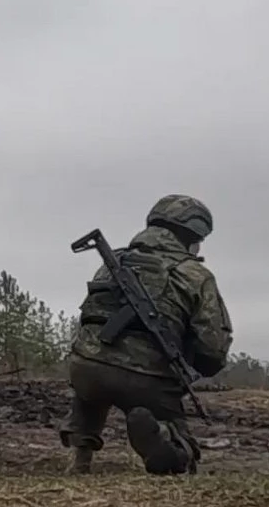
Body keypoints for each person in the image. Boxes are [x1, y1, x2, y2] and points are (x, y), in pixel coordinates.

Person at [60, 194, 233, 475]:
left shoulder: (113, 261)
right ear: (192, 236)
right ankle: (164, 438)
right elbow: (212, 347)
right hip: (147, 378)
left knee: (90, 389)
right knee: (179, 444)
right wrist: (193, 363)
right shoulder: (196, 275)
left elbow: (89, 316)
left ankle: (80, 455)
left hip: (86, 366)